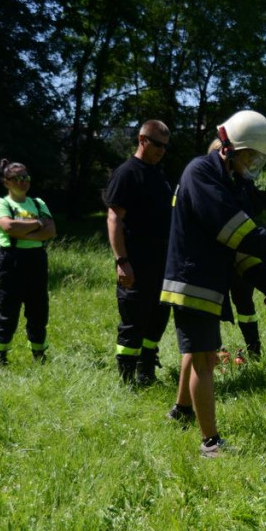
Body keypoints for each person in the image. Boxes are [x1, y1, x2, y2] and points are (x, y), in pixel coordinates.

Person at [162, 110, 266, 457]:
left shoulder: (223, 179)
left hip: (203, 278)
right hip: (194, 281)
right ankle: (210, 443)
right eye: (249, 156)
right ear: (230, 148)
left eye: (257, 158)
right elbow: (234, 228)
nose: (252, 164)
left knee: (194, 352)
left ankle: (182, 410)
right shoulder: (202, 174)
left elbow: (236, 244)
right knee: (205, 361)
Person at [105, 120, 173, 386]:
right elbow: (114, 219)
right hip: (136, 261)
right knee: (134, 320)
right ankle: (126, 379)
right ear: (142, 139)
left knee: (158, 318)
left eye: (165, 146)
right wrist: (122, 261)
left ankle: (147, 373)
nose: (162, 150)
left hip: (162, 262)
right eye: (157, 144)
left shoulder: (158, 173)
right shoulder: (127, 173)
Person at [0, 159, 57, 364]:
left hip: (37, 260)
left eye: (26, 177)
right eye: (17, 178)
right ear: (6, 181)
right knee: (8, 310)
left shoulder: (38, 203)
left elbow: (51, 231)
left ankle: (39, 354)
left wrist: (24, 232)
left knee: (38, 309)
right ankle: (0, 357)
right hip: (11, 261)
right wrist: (37, 223)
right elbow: (9, 227)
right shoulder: (1, 204)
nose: (23, 182)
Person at [207, 139, 263, 364]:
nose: (249, 162)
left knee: (245, 303)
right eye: (247, 157)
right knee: (215, 306)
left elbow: (254, 213)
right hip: (217, 256)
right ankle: (216, 351)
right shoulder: (212, 183)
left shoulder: (244, 183)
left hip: (242, 254)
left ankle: (254, 349)